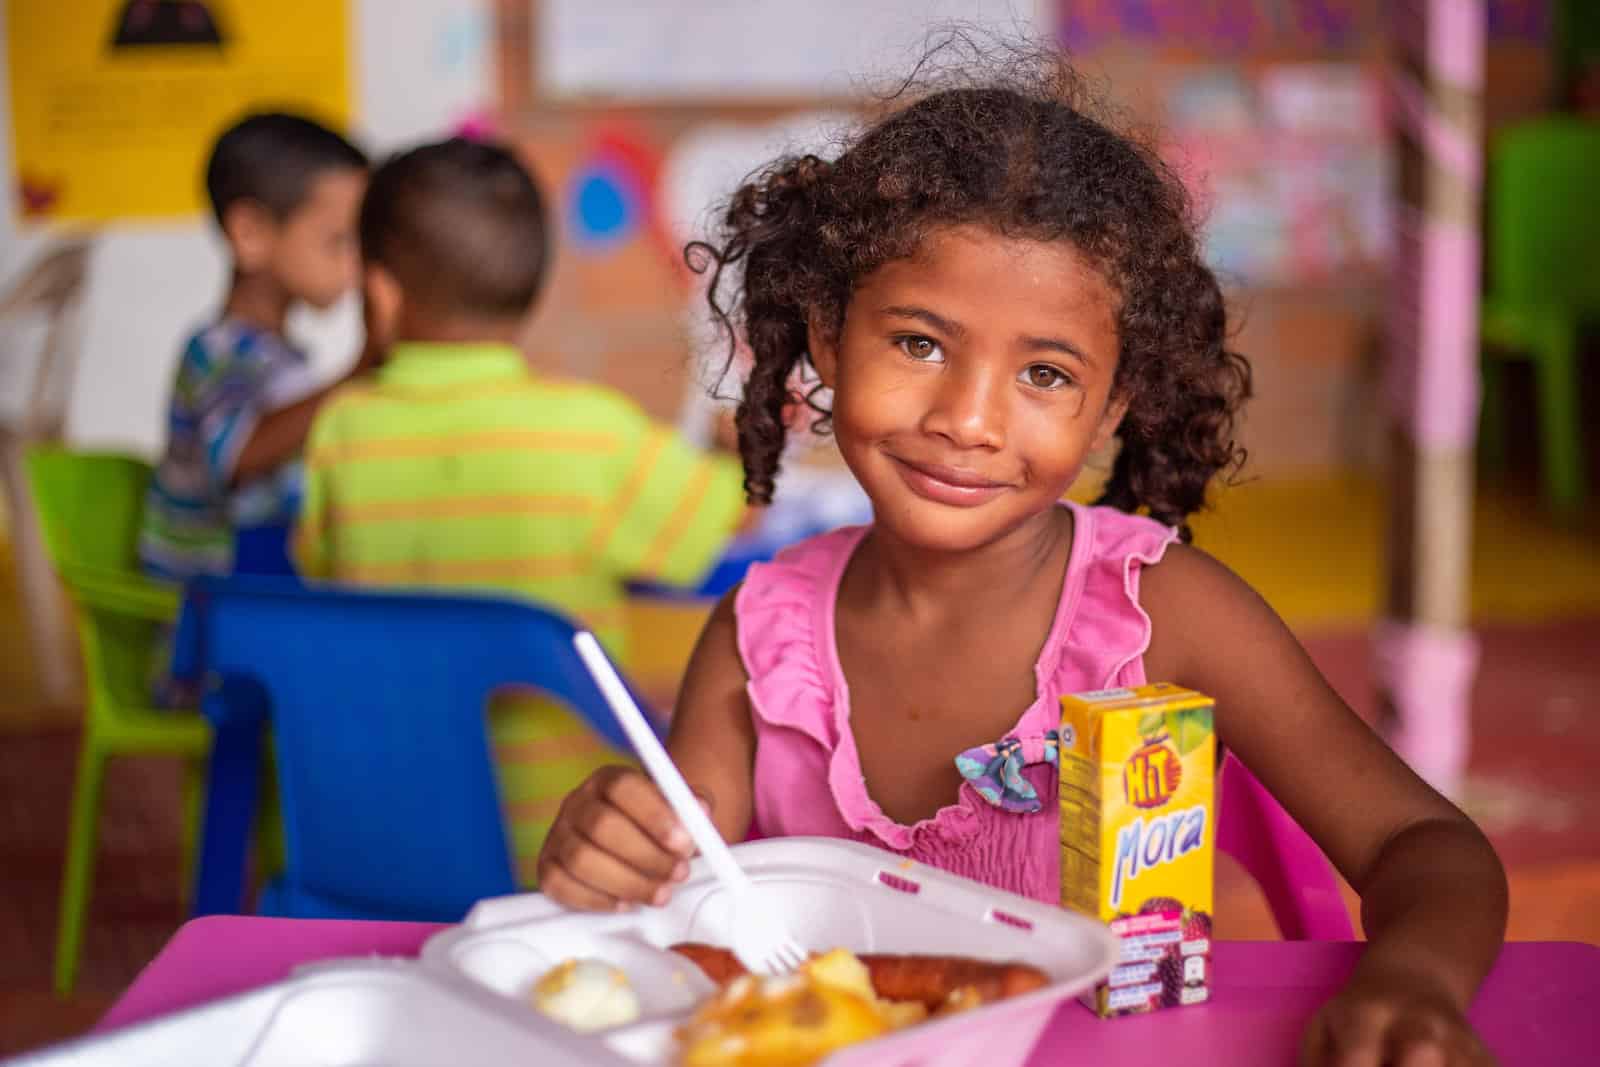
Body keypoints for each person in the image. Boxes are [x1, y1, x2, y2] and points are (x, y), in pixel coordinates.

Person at [536, 51, 1507, 1066]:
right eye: (918, 344)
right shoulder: (760, 640)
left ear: (1111, 405)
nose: (967, 420)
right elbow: (677, 892)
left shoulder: (1165, 618)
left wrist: (1414, 980)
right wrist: (613, 849)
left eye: (1044, 372)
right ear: (825, 338)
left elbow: (1426, 846)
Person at [293, 138, 746, 879]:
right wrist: (735, 447)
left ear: (380, 293)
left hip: (380, 832)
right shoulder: (588, 431)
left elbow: (320, 570)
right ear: (532, 289)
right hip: (563, 850)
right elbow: (713, 524)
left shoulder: (341, 430)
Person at [140, 112, 369, 581]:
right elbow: (237, 457)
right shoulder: (217, 351)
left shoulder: (284, 357)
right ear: (251, 233)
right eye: (337, 241)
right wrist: (357, 375)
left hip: (257, 580)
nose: (356, 264)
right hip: (209, 602)